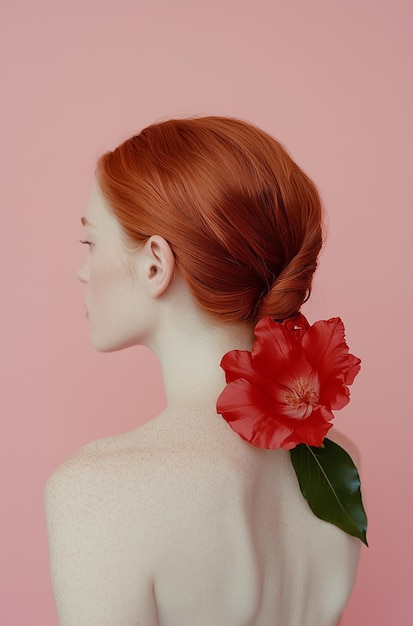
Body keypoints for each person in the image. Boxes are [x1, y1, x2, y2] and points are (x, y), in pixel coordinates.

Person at [46, 116, 361, 626]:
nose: (83, 269)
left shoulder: (97, 491)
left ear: (155, 264)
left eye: (91, 243)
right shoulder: (339, 458)